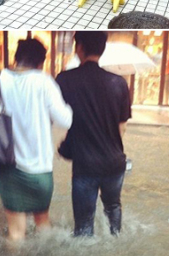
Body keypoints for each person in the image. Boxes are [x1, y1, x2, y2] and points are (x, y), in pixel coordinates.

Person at [0, 37, 73, 243]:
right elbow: (65, 120)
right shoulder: (45, 81)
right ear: (40, 62)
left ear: (16, 58)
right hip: (41, 172)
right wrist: (69, 107)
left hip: (10, 168)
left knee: (16, 234)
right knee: (43, 224)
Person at [56, 32, 132, 237]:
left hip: (85, 164)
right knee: (113, 207)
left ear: (78, 47)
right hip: (114, 162)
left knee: (83, 226)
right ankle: (116, 241)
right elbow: (121, 128)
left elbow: (57, 117)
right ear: (103, 48)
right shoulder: (119, 83)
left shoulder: (65, 79)